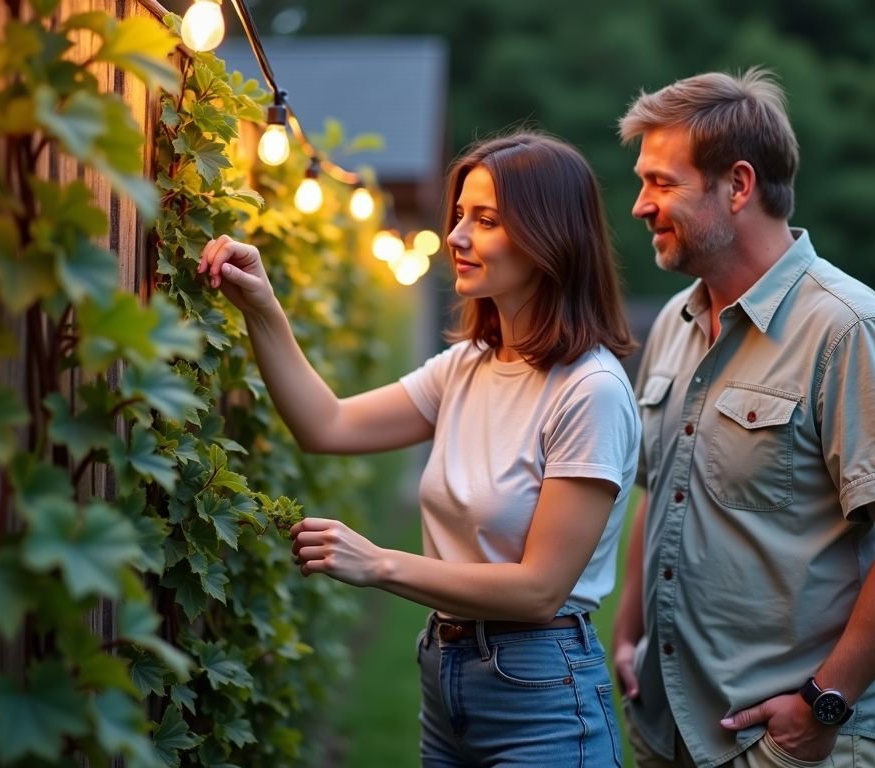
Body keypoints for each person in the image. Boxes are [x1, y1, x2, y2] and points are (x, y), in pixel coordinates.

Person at [198, 131, 639, 767]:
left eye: (484, 220)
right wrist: (262, 306)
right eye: (460, 215)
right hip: (447, 673)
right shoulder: (466, 366)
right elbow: (328, 426)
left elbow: (540, 589)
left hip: (542, 694)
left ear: (550, 238)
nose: (456, 237)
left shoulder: (589, 392)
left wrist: (379, 563)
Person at [611, 68, 875, 768]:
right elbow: (660, 490)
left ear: (738, 186)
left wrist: (822, 704)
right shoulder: (677, 325)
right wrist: (628, 636)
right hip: (666, 724)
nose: (639, 206)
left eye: (661, 182)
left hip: (791, 742)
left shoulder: (850, 330)